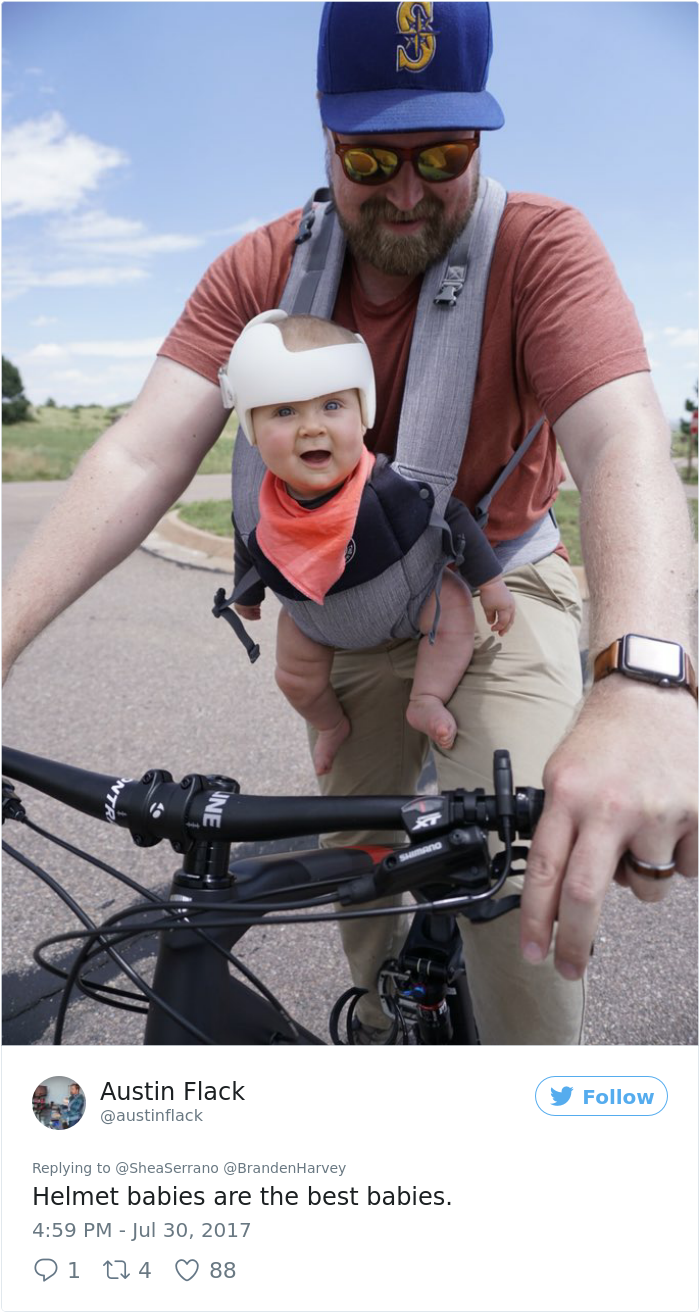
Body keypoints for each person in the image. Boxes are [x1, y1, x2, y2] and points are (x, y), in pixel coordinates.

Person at [2, 3, 696, 1044]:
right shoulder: (259, 270)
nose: (407, 189)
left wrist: (643, 680)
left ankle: (529, 1113)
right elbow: (143, 451)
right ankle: (378, 1032)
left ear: (480, 137)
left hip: (497, 584)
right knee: (352, 858)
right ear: (325, 135)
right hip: (352, 598)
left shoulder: (544, 247)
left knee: (512, 882)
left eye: (443, 151)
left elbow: (620, 441)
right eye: (371, 156)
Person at [225, 310, 515, 774]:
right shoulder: (261, 507)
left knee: (455, 609)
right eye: (284, 411)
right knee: (294, 677)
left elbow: (450, 514)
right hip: (314, 620)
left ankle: (425, 697)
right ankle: (331, 725)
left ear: (364, 415)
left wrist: (492, 583)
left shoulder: (386, 487)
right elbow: (250, 541)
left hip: (410, 603)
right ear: (252, 430)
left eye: (332, 406)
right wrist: (249, 592)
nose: (311, 427)